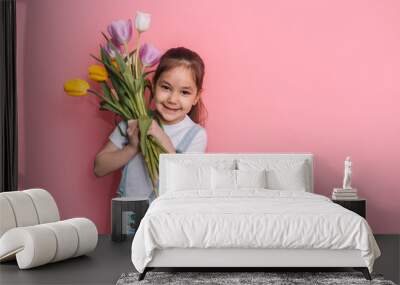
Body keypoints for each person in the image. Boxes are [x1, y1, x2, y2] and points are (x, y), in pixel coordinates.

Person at [93, 47, 208, 201]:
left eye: (184, 92)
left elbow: (186, 181)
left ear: (196, 97)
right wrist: (133, 147)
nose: (173, 99)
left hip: (167, 218)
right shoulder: (132, 123)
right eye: (166, 88)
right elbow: (99, 168)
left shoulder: (195, 135)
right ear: (153, 86)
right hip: (128, 215)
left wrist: (160, 136)